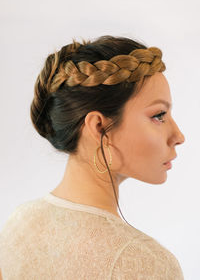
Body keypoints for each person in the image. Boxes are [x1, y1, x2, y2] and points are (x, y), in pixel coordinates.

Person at [0, 35, 185, 279]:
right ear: (98, 127)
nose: (179, 136)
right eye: (159, 115)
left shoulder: (18, 224)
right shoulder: (145, 265)